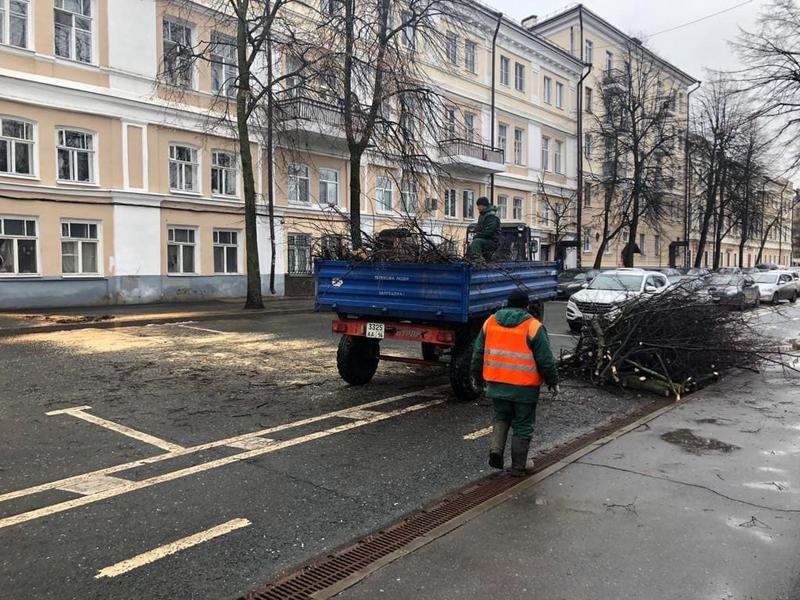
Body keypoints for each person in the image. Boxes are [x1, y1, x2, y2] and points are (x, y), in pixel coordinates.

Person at [471, 291, 559, 476]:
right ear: (526, 307)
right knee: (523, 424)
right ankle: (518, 466)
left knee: (501, 417)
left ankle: (496, 450)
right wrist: (552, 381)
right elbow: (545, 360)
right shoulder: (533, 326)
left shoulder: (490, 322)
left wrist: (477, 378)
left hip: (496, 384)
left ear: (507, 304)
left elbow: (478, 352)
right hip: (524, 389)